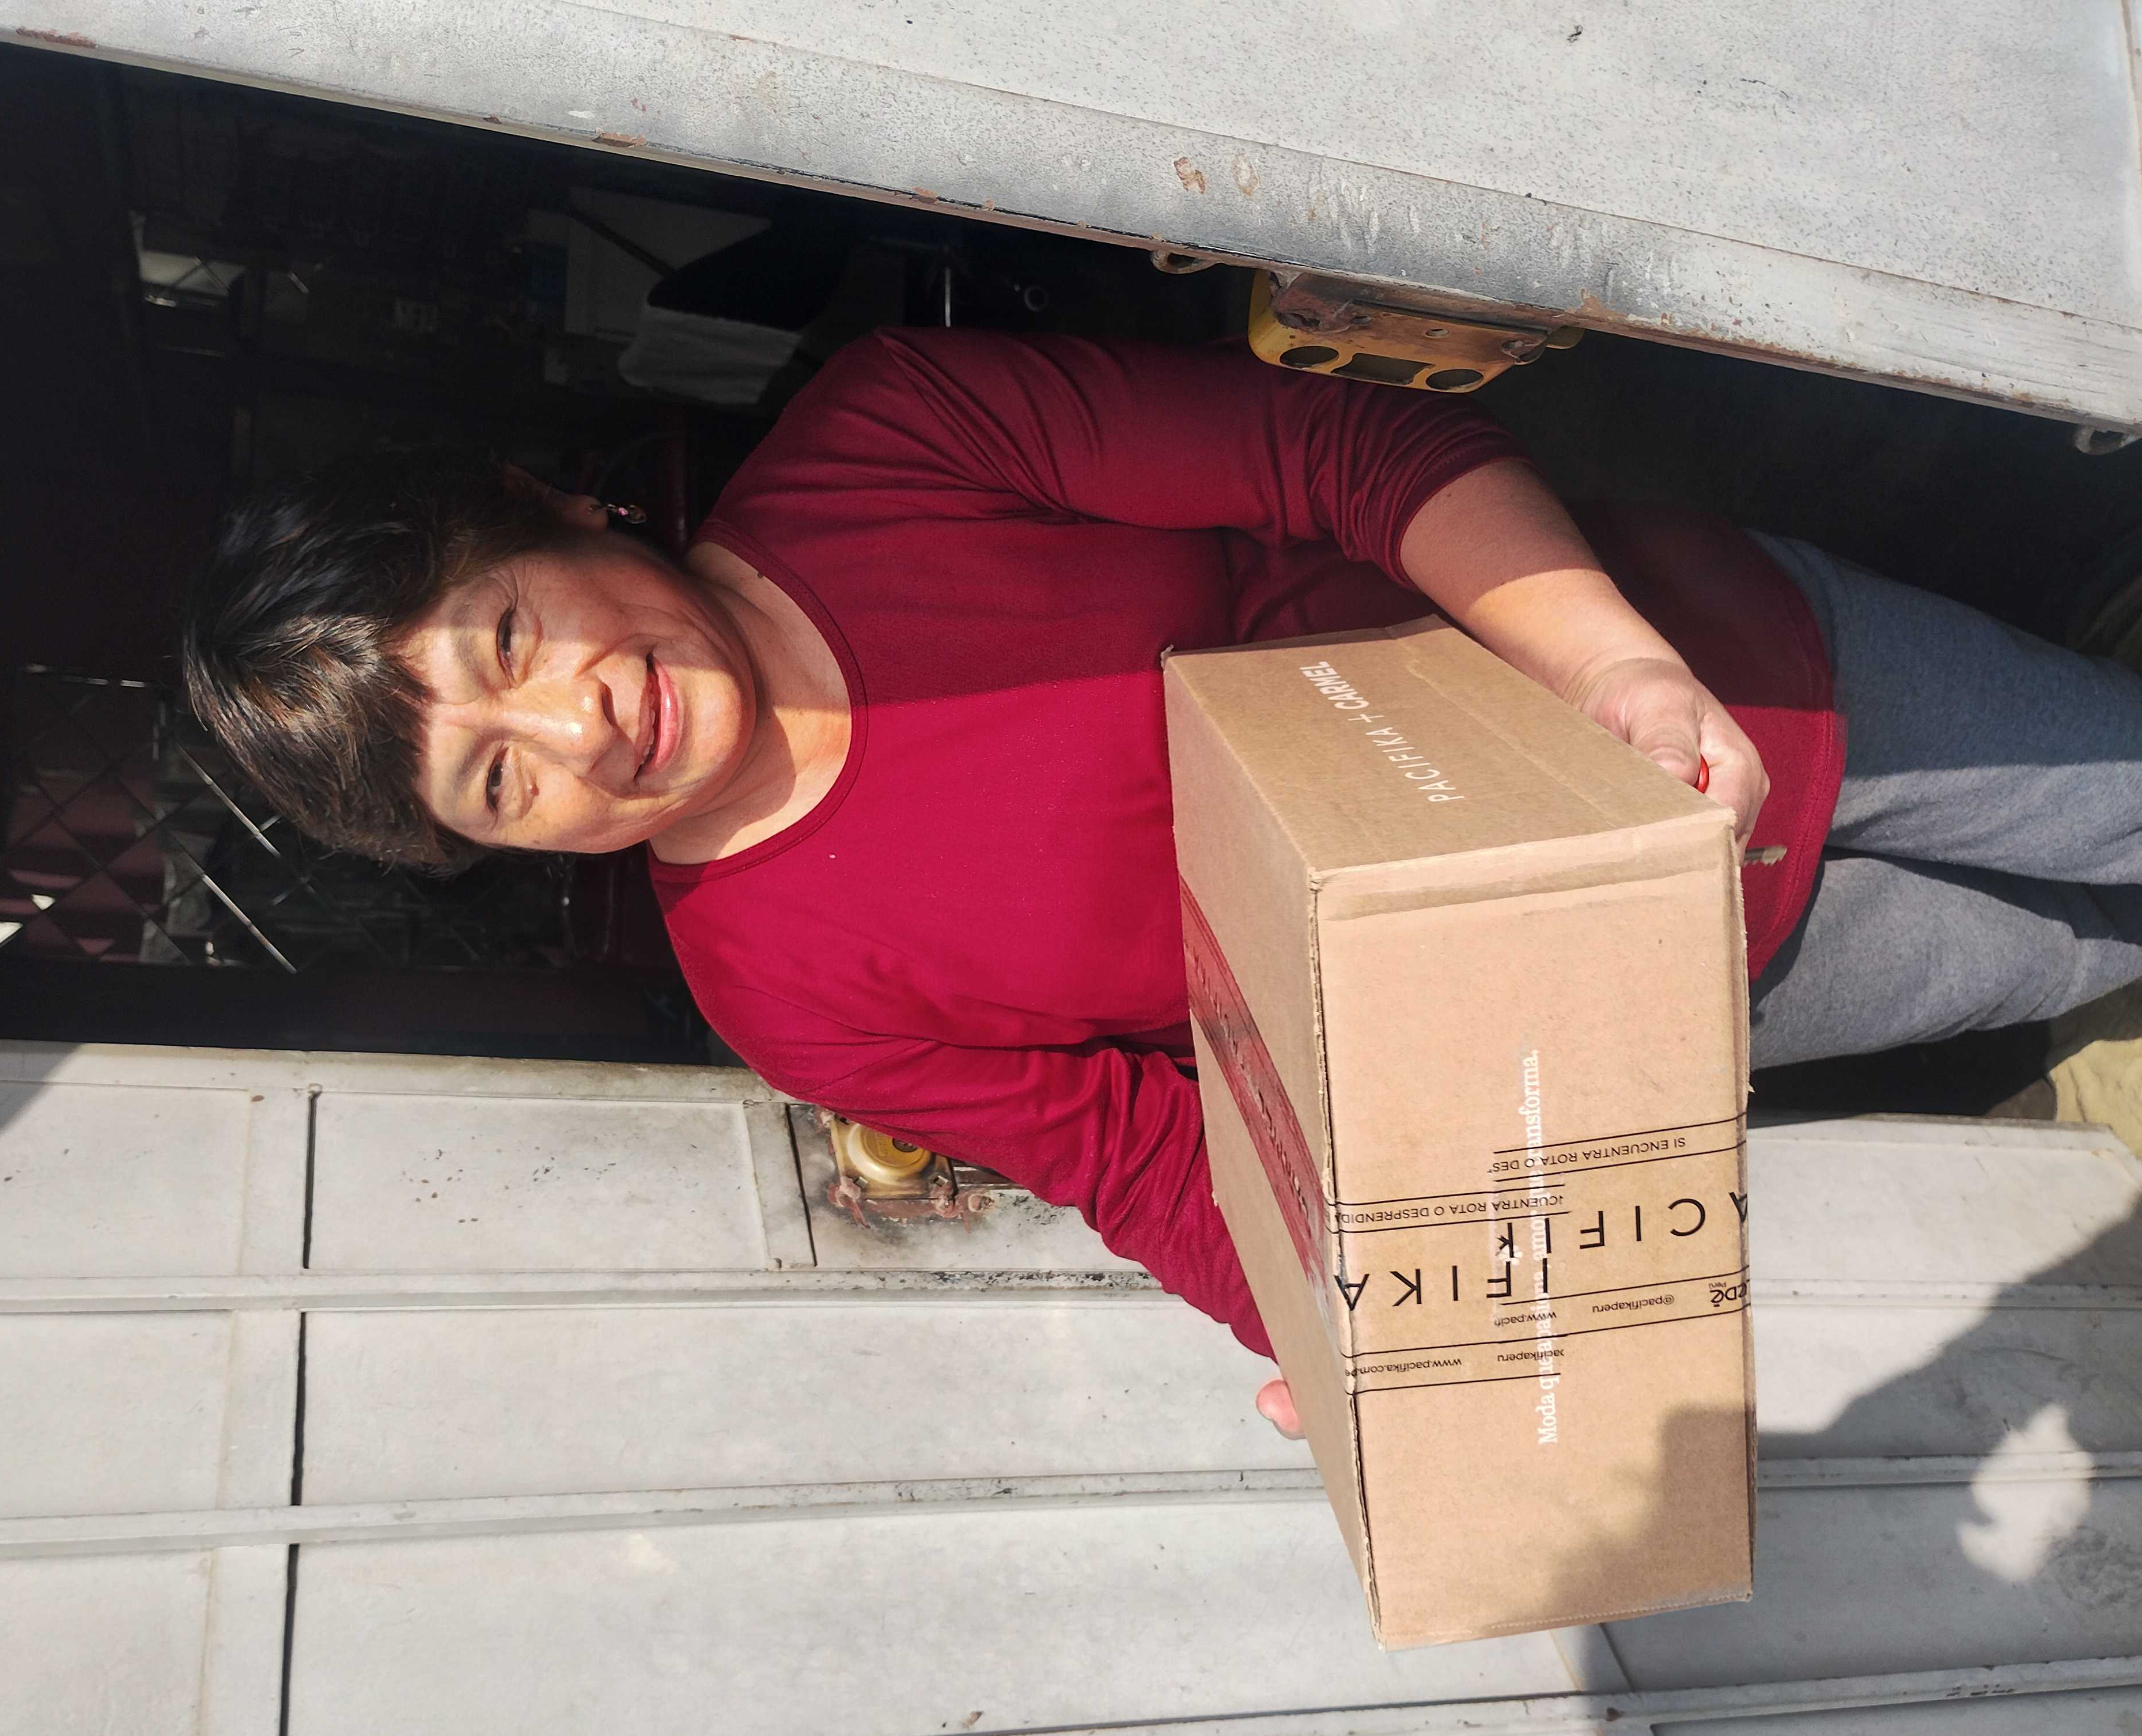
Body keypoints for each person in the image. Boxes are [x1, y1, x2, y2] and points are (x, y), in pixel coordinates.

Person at [183, 328, 2142, 1434]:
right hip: (1642, 979)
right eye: (498, 779)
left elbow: (1346, 453)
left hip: (1730, 665)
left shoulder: (882, 443)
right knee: (2073, 962)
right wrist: (1331, 1333)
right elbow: (1142, 1157)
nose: (579, 727)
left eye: (509, 639)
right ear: (498, 848)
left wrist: (1616, 669)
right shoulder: (775, 987)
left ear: (550, 513)